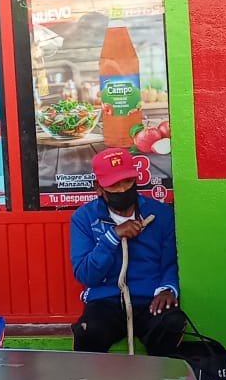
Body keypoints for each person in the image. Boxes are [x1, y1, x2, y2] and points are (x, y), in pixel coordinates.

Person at [70, 148, 185, 356]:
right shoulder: (83, 218)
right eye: (114, 185)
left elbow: (170, 263)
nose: (123, 189)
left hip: (151, 299)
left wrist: (169, 289)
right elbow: (86, 275)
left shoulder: (161, 214)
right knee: (88, 332)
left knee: (171, 324)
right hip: (107, 299)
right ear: (99, 188)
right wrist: (112, 238)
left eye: (128, 182)